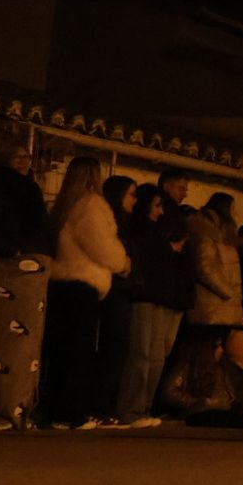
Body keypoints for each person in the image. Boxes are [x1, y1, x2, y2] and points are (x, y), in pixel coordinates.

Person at [42, 156, 130, 430]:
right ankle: (74, 412)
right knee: (79, 351)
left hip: (60, 281)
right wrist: (123, 262)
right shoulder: (92, 204)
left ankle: (53, 409)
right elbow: (101, 244)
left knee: (57, 350)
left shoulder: (62, 207)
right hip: (83, 284)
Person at [0, 141, 51, 431]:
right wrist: (9, 250)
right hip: (10, 264)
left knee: (20, 344)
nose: (23, 162)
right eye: (17, 157)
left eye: (26, 157)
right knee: (5, 341)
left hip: (22, 263)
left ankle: (17, 405)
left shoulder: (24, 187)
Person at [117, 184, 193, 428]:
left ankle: (144, 407)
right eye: (157, 206)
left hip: (161, 296)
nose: (160, 212)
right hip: (146, 295)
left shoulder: (155, 233)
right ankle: (131, 409)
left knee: (156, 356)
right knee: (143, 354)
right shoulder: (139, 233)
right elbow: (147, 260)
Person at [94, 175, 138, 427]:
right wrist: (125, 265)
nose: (134, 200)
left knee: (119, 351)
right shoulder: (112, 223)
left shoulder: (128, 224)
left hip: (123, 290)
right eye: (131, 194)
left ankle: (108, 405)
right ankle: (101, 406)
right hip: (112, 291)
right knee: (110, 350)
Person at [187, 192, 243, 335]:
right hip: (213, 310)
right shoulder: (206, 231)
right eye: (233, 209)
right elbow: (205, 266)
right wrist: (228, 292)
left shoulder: (220, 235)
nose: (236, 214)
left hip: (222, 309)